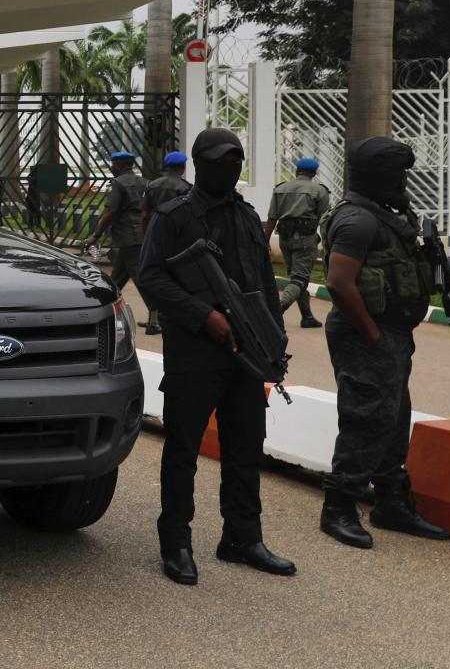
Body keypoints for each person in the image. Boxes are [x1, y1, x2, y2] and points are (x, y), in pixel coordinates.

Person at [137, 128, 296, 586]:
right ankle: (176, 543)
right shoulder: (175, 217)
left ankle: (243, 538)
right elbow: (151, 278)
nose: (229, 168)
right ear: (198, 163)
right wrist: (204, 315)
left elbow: (264, 281)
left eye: (236, 161)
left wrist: (273, 340)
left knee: (246, 448)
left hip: (247, 354)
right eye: (220, 161)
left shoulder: (247, 217)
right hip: (195, 353)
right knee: (183, 449)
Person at [318, 137, 449, 548]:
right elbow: (338, 282)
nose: (403, 181)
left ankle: (391, 503)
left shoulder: (386, 213)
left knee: (393, 417)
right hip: (365, 333)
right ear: (378, 177)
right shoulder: (358, 220)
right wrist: (373, 337)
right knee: (366, 417)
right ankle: (338, 507)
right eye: (397, 174)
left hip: (389, 333)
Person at [265, 158, 329, 329]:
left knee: (297, 278)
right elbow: (324, 220)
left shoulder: (281, 189)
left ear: (297, 171)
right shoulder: (319, 191)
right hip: (305, 240)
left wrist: (265, 241)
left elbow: (272, 217)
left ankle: (307, 317)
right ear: (314, 173)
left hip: (284, 239)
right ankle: (278, 309)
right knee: (300, 278)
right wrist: (329, 243)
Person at [139, 152, 192, 335]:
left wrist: (146, 236)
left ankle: (153, 320)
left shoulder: (152, 185)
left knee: (155, 277)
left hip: (155, 236)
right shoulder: (185, 188)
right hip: (176, 240)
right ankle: (170, 318)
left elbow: (145, 215)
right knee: (175, 279)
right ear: (183, 168)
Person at [86, 151, 147, 295]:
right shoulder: (145, 182)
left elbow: (109, 212)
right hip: (141, 234)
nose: (111, 167)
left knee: (141, 279)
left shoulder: (118, 183)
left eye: (112, 164)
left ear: (119, 165)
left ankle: (159, 313)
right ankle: (105, 301)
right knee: (117, 278)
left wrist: (96, 236)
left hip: (127, 237)